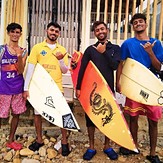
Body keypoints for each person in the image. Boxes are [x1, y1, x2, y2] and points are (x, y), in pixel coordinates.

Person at [116, 13, 163, 163]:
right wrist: (118, 82)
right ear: (133, 26)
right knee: (133, 118)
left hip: (151, 86)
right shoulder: (128, 44)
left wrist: (150, 52)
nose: (138, 24)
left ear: (146, 24)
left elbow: (159, 67)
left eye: (141, 21)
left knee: (153, 121)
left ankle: (152, 153)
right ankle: (133, 146)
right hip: (133, 86)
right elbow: (121, 63)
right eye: (135, 22)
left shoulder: (156, 43)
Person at [23, 22, 70, 156]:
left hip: (56, 87)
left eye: (56, 31)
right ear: (46, 31)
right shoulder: (37, 48)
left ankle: (65, 142)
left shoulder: (62, 49)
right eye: (52, 30)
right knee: (38, 114)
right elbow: (30, 68)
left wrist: (61, 60)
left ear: (59, 34)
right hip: (40, 87)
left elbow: (65, 70)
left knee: (62, 114)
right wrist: (26, 88)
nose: (54, 33)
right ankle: (39, 140)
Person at [76, 21, 121, 161]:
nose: (100, 31)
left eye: (102, 29)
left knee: (109, 116)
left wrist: (105, 52)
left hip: (108, 89)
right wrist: (78, 87)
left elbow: (114, 65)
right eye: (97, 30)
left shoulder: (115, 48)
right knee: (90, 118)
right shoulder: (90, 50)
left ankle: (107, 146)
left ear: (106, 30)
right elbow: (82, 69)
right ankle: (91, 146)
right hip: (92, 90)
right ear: (94, 33)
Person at [0, 23, 28, 150]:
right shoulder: (1, 50)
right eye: (13, 32)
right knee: (1, 115)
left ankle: (10, 140)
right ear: (8, 33)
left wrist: (18, 56)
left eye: (18, 32)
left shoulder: (24, 51)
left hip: (17, 87)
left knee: (16, 114)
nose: (15, 34)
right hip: (3, 87)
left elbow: (21, 71)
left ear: (21, 34)